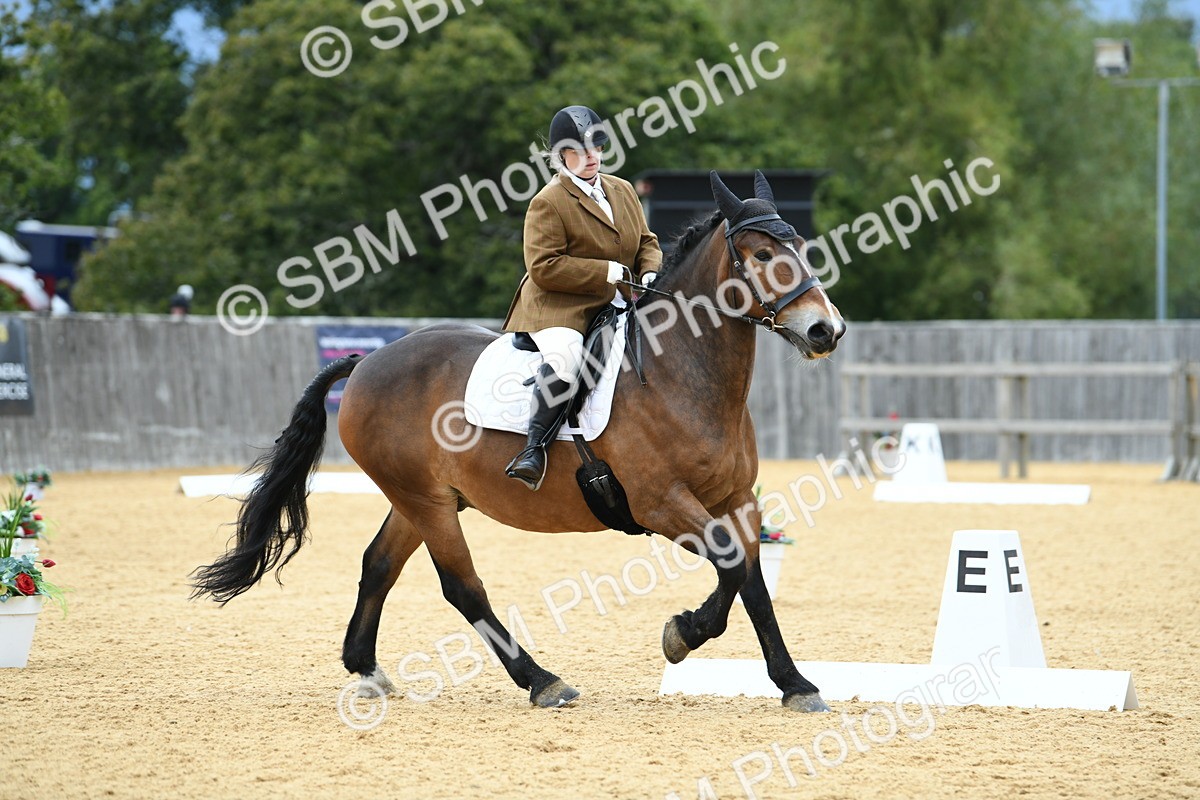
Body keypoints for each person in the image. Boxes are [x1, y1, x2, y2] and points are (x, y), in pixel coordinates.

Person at [501, 105, 662, 490]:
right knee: (568, 357)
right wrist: (606, 272)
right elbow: (544, 266)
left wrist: (651, 269)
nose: (591, 156)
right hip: (559, 306)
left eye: (596, 147)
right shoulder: (549, 201)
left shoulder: (621, 190)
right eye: (579, 149)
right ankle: (533, 449)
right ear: (561, 156)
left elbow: (646, 242)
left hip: (615, 302)